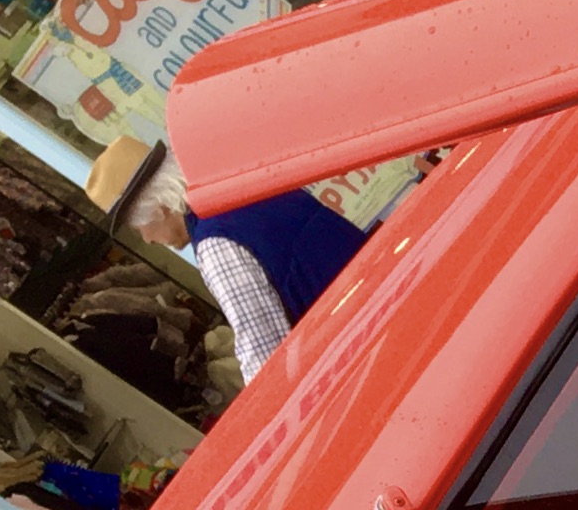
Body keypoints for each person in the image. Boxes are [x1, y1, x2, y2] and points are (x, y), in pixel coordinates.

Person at [85, 137, 367, 382]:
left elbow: (265, 352)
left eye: (139, 227)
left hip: (356, 337)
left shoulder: (215, 244)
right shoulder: (240, 186)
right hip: (373, 287)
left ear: (159, 207)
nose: (147, 240)